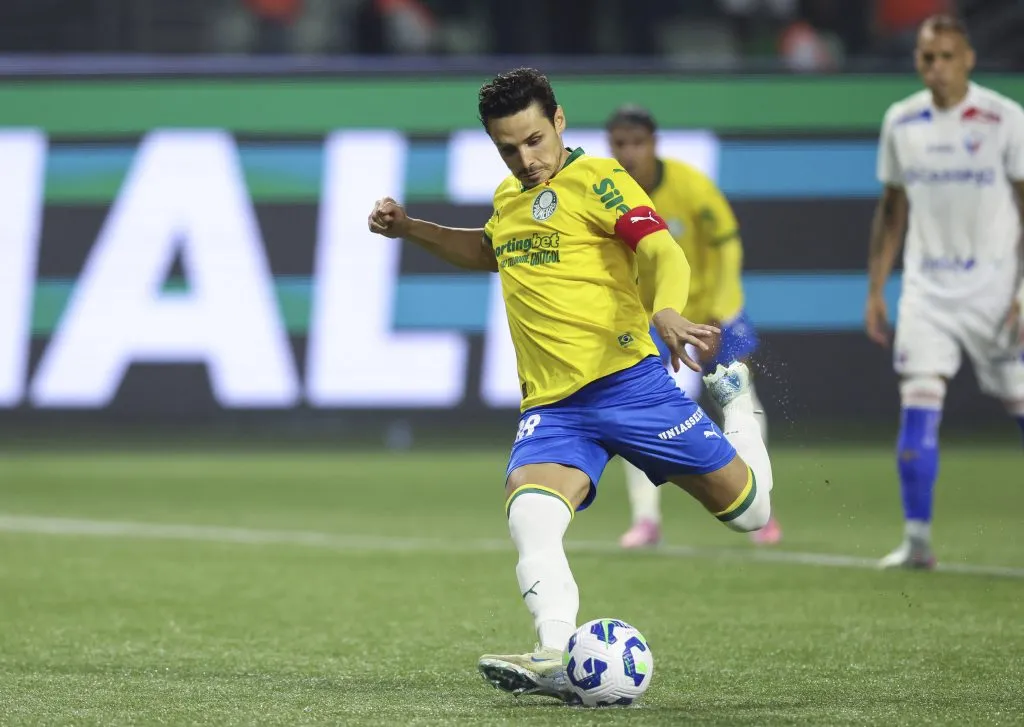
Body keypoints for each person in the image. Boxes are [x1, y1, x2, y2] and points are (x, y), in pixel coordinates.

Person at [368, 67, 775, 703]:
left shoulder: (600, 180)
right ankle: (553, 653)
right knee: (529, 514)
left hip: (632, 388)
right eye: (508, 148)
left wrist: (667, 309)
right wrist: (410, 228)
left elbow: (663, 251)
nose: (525, 159)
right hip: (556, 409)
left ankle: (736, 408)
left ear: (558, 122)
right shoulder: (509, 200)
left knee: (752, 514)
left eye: (534, 140)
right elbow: (487, 250)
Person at [866, 15, 1024, 570]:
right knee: (917, 404)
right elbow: (892, 211)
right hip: (928, 292)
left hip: (997, 289)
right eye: (926, 57)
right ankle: (917, 540)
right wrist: (877, 288)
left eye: (947, 56)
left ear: (969, 58)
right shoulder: (902, 120)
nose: (936, 67)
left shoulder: (1006, 118)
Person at [605, 105, 782, 549]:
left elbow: (726, 245)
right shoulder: (609, 192)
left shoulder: (691, 187)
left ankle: (763, 504)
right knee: (638, 412)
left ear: (653, 144)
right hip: (651, 318)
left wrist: (723, 309)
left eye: (636, 143)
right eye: (619, 144)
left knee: (739, 395)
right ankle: (646, 519)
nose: (627, 153)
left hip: (711, 311)